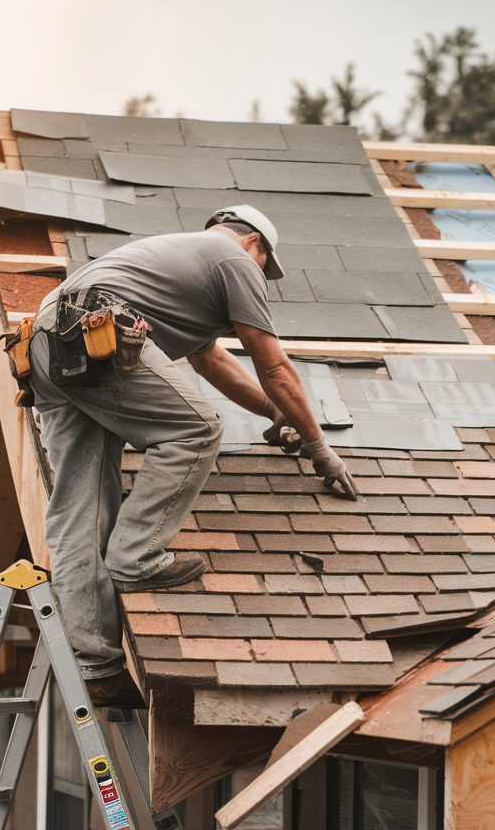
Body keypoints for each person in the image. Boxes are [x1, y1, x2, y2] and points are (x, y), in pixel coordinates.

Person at [29, 205, 359, 703]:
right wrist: (319, 447)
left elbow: (212, 361)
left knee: (78, 508)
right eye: (266, 268)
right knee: (198, 430)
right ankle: (136, 557)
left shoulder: (179, 264)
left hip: (47, 343)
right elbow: (274, 364)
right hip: (99, 327)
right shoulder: (235, 259)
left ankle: (97, 666)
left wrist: (277, 414)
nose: (262, 280)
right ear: (254, 243)